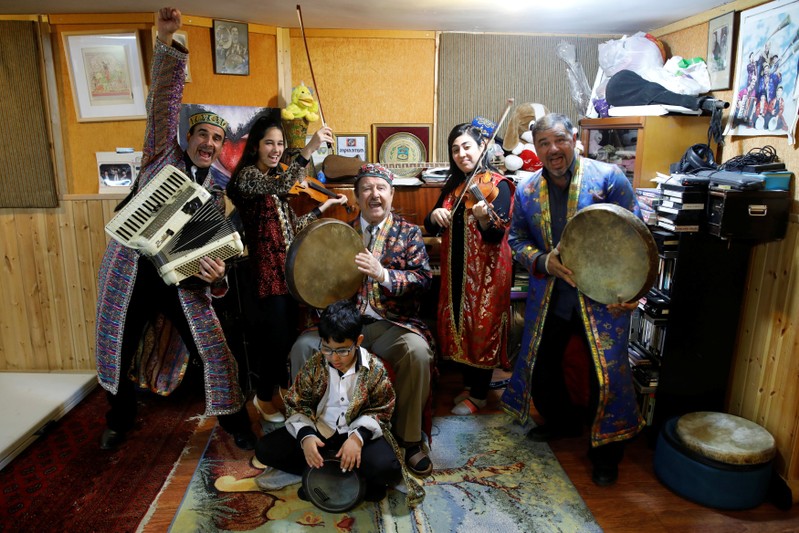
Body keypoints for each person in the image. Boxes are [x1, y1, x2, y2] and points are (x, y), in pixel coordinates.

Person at [95, 7, 255, 451]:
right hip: (129, 274)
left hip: (181, 285)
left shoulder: (218, 198)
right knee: (117, 349)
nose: (208, 143)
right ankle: (119, 419)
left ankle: (235, 423)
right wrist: (168, 42)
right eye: (201, 134)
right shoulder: (160, 157)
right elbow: (163, 102)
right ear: (188, 138)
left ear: (222, 149)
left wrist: (218, 278)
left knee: (216, 351)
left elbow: (221, 266)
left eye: (217, 139)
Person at [500, 113, 644, 486]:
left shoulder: (608, 177)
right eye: (543, 143)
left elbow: (637, 234)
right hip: (552, 296)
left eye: (559, 140)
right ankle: (562, 424)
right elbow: (515, 239)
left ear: (575, 140)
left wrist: (633, 291)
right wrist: (544, 260)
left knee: (607, 375)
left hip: (604, 296)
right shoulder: (528, 190)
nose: (553, 150)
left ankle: (607, 452)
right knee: (543, 366)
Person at [289, 163, 435, 478]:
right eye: (367, 188)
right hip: (346, 327)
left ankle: (409, 440)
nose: (374, 195)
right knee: (302, 347)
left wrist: (384, 274)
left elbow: (423, 279)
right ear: (356, 196)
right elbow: (321, 284)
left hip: (391, 324)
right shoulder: (340, 232)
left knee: (417, 352)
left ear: (392, 194)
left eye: (381, 188)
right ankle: (314, 434)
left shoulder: (407, 234)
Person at [226, 118, 347, 423]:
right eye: (270, 143)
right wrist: (309, 148)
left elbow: (293, 227)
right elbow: (282, 182)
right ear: (255, 145)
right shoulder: (248, 179)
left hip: (287, 275)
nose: (276, 150)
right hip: (266, 275)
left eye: (280, 144)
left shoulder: (273, 183)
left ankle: (280, 390)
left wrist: (326, 207)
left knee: (287, 336)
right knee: (273, 340)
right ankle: (263, 397)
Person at [253, 299, 423, 507]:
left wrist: (358, 438)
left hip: (357, 435)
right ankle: (335, 467)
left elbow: (382, 409)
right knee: (264, 449)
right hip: (321, 433)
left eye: (342, 350)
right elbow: (297, 404)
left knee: (388, 468)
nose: (335, 358)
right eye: (327, 349)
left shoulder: (374, 368)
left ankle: (328, 468)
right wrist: (306, 436)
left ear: (358, 341)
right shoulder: (315, 365)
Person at [424, 123, 514, 415]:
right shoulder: (453, 186)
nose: (461, 153)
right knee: (459, 324)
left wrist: (485, 218)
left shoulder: (499, 184)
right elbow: (429, 223)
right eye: (455, 149)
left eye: (467, 147)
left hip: (487, 272)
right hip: (457, 270)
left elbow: (496, 234)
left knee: (481, 325)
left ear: (481, 148)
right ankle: (469, 384)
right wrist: (434, 213)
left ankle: (478, 394)